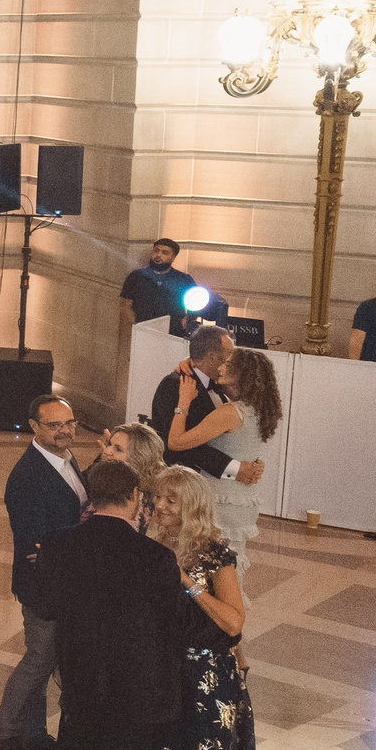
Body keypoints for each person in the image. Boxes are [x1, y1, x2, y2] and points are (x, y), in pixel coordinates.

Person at [21, 460, 184, 750]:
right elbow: (176, 625)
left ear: (92, 497)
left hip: (82, 680)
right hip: (137, 689)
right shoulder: (156, 558)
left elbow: (46, 605)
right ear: (134, 497)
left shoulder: (59, 545)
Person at [126, 468, 255, 750]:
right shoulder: (149, 546)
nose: (158, 506)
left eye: (170, 502)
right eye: (157, 498)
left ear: (193, 508)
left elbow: (234, 622)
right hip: (160, 670)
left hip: (207, 679)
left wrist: (188, 584)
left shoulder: (217, 556)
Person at [0, 393, 85, 750]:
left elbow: (76, 506)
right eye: (55, 425)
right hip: (43, 585)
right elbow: (35, 544)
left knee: (45, 660)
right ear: (34, 427)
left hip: (62, 579)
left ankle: (33, 732)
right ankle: (2, 734)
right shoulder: (27, 476)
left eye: (70, 423)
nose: (65, 431)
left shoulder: (66, 458)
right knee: (39, 658)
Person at [166, 343, 281, 565]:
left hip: (220, 497)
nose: (221, 367)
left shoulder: (229, 413)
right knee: (229, 560)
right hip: (243, 496)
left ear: (241, 374)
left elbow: (175, 442)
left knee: (210, 562)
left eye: (228, 364)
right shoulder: (259, 408)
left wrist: (183, 403)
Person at [149, 326, 267, 494]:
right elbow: (183, 445)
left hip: (212, 484)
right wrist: (235, 468)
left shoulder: (222, 385)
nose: (233, 358)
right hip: (181, 483)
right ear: (212, 358)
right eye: (229, 354)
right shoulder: (176, 385)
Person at [119, 239, 198, 335]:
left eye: (165, 253)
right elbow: (125, 305)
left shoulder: (184, 279)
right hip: (143, 331)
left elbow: (196, 305)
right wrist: (135, 324)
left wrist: (184, 323)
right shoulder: (136, 276)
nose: (158, 255)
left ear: (173, 257)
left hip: (173, 333)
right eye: (156, 251)